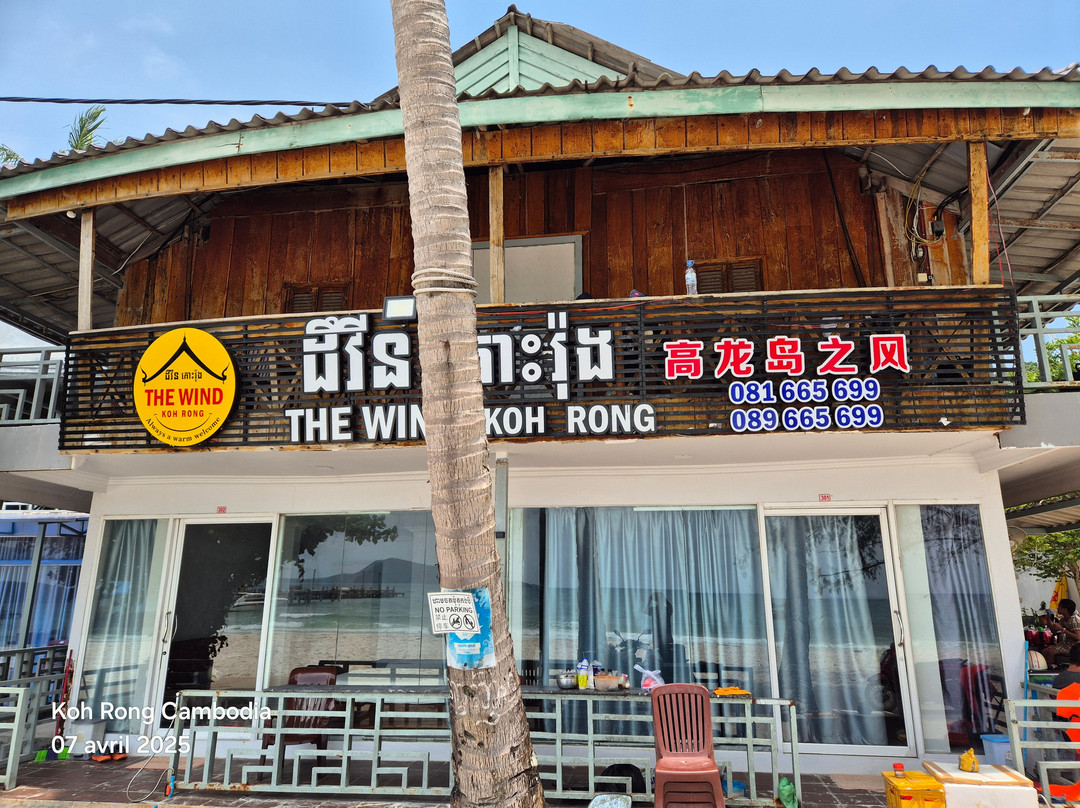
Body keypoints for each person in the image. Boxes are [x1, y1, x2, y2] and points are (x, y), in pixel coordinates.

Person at [1046, 599, 1080, 666]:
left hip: (1074, 646)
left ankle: (1053, 671)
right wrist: (1048, 619)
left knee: (1050, 652)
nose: (1057, 608)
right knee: (1045, 651)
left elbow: (1078, 637)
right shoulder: (1063, 619)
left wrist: (1062, 629)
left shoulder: (1074, 620)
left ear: (1065, 609)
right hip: (1067, 643)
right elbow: (1054, 631)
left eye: (1059, 607)